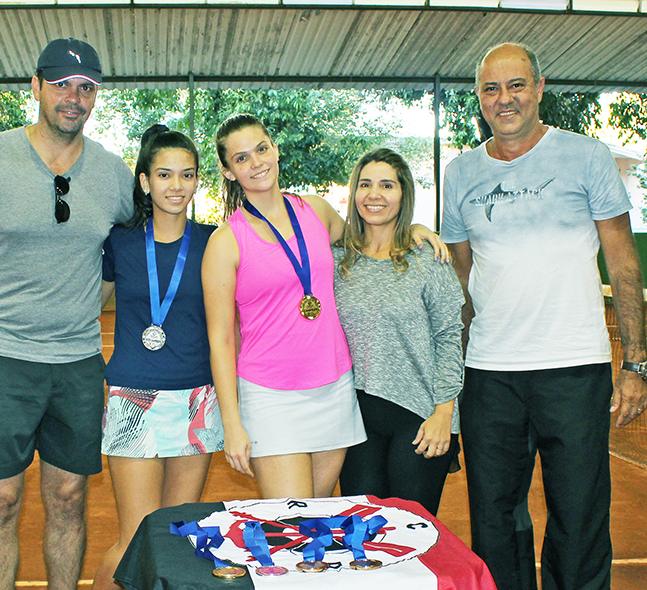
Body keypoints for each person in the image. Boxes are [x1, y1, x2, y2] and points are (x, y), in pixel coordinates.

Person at [0, 38, 134, 590]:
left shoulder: (114, 176)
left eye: (86, 87)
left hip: (78, 364)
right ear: (35, 87)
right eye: (61, 84)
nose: (74, 97)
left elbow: (132, 260)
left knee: (68, 498)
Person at [441, 42, 647, 590]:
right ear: (480, 99)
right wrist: (453, 371)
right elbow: (460, 279)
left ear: (538, 88)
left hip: (574, 369)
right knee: (493, 518)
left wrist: (637, 364)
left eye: (515, 85)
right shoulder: (460, 173)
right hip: (490, 375)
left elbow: (624, 264)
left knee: (579, 519)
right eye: (491, 88)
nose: (504, 98)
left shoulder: (586, 156)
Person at [202, 114, 446, 500]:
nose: (257, 163)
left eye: (261, 149)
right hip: (270, 395)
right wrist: (231, 422)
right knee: (293, 520)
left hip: (334, 389)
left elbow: (368, 241)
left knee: (318, 519)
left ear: (275, 149)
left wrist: (413, 229)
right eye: (242, 158)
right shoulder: (225, 242)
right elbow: (220, 340)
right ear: (229, 171)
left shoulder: (315, 211)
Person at [91, 125, 224, 590]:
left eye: (187, 175)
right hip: (134, 397)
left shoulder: (216, 241)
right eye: (164, 175)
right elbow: (89, 303)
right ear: (145, 181)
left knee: (173, 536)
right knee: (135, 538)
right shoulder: (120, 241)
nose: (176, 186)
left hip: (199, 399)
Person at [334, 148, 464, 517]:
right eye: (365, 184)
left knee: (411, 535)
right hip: (356, 417)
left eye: (386, 185)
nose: (374, 194)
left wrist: (444, 415)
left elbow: (449, 338)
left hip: (421, 417)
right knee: (362, 534)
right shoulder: (336, 259)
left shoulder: (427, 259)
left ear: (403, 194)